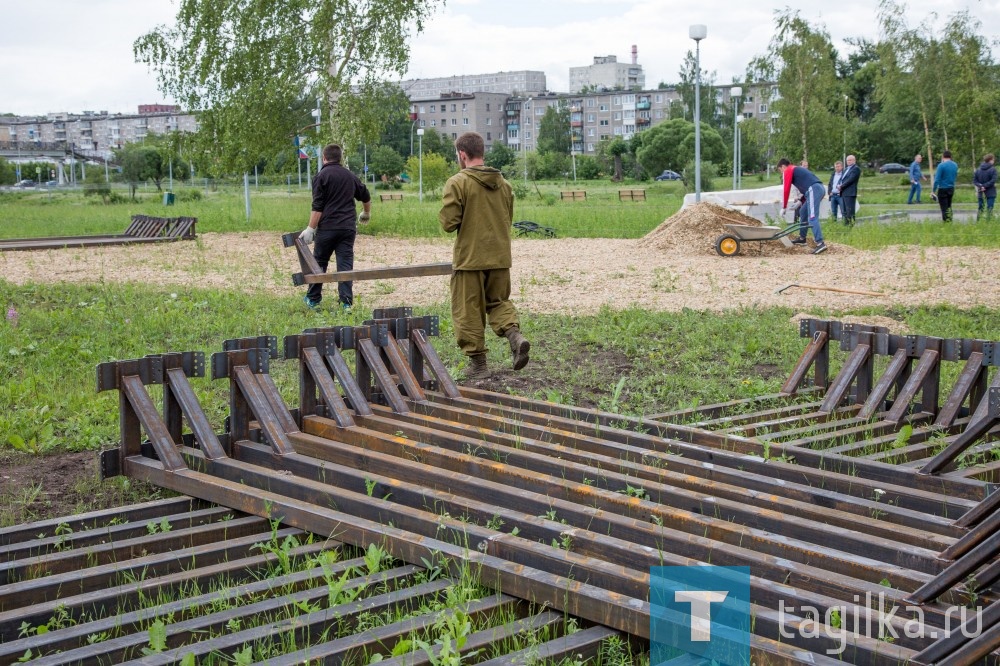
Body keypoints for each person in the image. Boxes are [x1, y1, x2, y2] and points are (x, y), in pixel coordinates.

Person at [439, 132, 529, 380]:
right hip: (500, 257)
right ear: (482, 153)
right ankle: (514, 335)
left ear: (462, 154)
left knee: (467, 310)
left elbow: (449, 223)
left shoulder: (457, 182)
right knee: (499, 302)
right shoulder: (505, 185)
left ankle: (478, 366)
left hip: (470, 259)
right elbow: (507, 220)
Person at [299, 144, 372, 311]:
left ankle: (313, 298)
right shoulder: (350, 176)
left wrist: (311, 228)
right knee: (345, 264)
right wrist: (366, 213)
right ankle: (346, 303)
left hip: (328, 228)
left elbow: (318, 206)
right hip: (347, 228)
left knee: (319, 262)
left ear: (324, 158)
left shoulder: (321, 176)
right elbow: (365, 195)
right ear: (340, 158)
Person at [778, 157, 827, 254]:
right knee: (803, 211)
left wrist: (784, 207)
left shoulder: (788, 170)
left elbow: (786, 189)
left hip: (814, 189)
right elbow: (805, 187)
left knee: (812, 217)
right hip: (816, 189)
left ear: (783, 166)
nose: (781, 173)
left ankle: (820, 243)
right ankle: (802, 238)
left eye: (780, 170)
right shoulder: (795, 170)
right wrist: (800, 201)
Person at [932, 150, 958, 222]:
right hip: (951, 188)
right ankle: (950, 220)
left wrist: (933, 191)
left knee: (944, 208)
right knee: (949, 206)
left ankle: (946, 223)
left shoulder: (941, 165)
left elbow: (937, 179)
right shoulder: (955, 165)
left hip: (943, 188)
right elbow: (955, 175)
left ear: (943, 157)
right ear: (951, 157)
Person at [836, 154, 861, 226]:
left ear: (854, 160)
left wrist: (842, 186)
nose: (848, 161)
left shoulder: (856, 169)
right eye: (847, 160)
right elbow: (842, 178)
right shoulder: (846, 169)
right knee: (844, 211)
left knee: (850, 211)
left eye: (850, 160)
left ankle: (851, 225)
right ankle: (845, 225)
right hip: (843, 192)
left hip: (850, 192)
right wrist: (839, 185)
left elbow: (851, 179)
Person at [973, 153, 996, 221]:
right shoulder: (993, 169)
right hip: (991, 191)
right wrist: (985, 186)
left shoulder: (978, 169)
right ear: (991, 160)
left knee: (980, 207)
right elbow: (993, 180)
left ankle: (978, 221)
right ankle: (988, 222)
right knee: (990, 207)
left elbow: (974, 180)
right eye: (993, 159)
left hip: (981, 191)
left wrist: (981, 186)